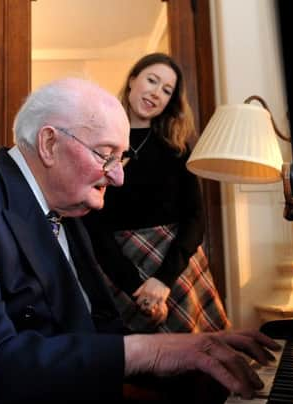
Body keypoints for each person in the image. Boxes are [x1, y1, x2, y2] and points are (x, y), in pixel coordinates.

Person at [0, 77, 280, 404]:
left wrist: (190, 346)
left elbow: (88, 332)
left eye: (122, 157)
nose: (118, 176)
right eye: (105, 154)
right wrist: (152, 352)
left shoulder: (70, 211)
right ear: (50, 143)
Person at [83, 53, 230, 333]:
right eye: (152, 80)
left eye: (166, 90)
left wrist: (163, 279)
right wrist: (135, 286)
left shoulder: (177, 147)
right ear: (132, 80)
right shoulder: (97, 141)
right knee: (129, 367)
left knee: (197, 365)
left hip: (175, 269)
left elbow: (195, 217)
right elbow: (92, 224)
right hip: (116, 267)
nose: (156, 93)